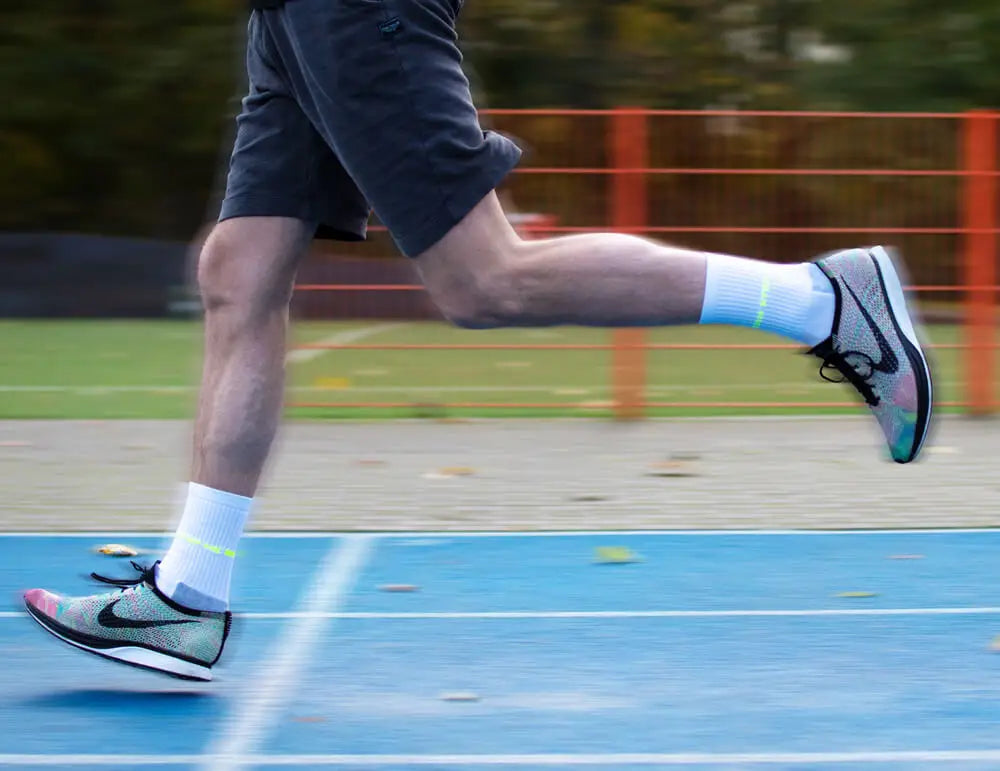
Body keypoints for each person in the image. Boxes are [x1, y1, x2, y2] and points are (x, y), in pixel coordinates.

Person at [23, 0, 933, 682]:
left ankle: (820, 301)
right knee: (238, 268)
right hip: (290, 18)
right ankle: (186, 595)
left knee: (485, 278)